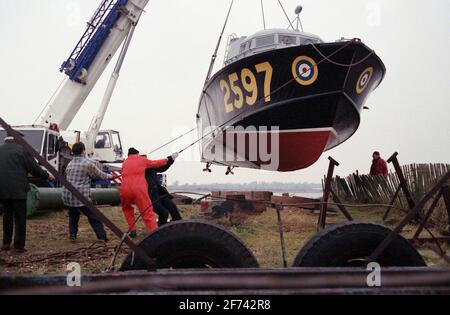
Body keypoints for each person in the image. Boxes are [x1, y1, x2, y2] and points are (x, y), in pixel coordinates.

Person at [0, 132, 54, 252]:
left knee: (7, 216)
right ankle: (18, 246)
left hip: (2, 190)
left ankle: (6, 244)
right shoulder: (22, 150)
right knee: (19, 218)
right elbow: (34, 169)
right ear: (17, 139)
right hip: (18, 190)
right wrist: (47, 176)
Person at [62, 142, 114, 242]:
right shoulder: (88, 163)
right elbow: (100, 175)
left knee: (73, 215)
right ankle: (102, 237)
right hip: (81, 195)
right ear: (83, 151)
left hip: (67, 194)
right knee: (94, 216)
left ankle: (73, 234)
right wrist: (112, 177)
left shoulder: (70, 163)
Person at [120, 148, 175, 237]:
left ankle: (132, 230)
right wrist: (168, 159)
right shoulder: (142, 160)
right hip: (139, 189)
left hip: (124, 189)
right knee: (147, 213)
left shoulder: (125, 162)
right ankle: (154, 234)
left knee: (127, 209)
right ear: (137, 154)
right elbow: (156, 163)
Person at [145, 155, 182, 226]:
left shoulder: (150, 165)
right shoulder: (141, 168)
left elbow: (161, 167)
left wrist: (171, 160)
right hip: (151, 195)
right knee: (164, 213)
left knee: (172, 207)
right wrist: (169, 159)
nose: (145, 158)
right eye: (143, 156)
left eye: (145, 156)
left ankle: (179, 224)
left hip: (159, 192)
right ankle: (161, 228)